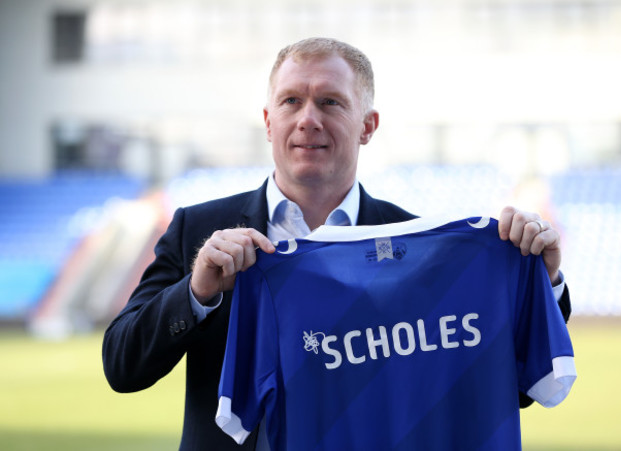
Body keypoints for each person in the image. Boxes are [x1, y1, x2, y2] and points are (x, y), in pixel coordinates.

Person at [102, 37, 571, 450]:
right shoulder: (199, 231)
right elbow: (122, 366)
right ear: (268, 121)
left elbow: (508, 389)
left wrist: (542, 281)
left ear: (368, 125)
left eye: (330, 102)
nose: (308, 119)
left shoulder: (417, 248)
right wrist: (197, 292)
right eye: (290, 101)